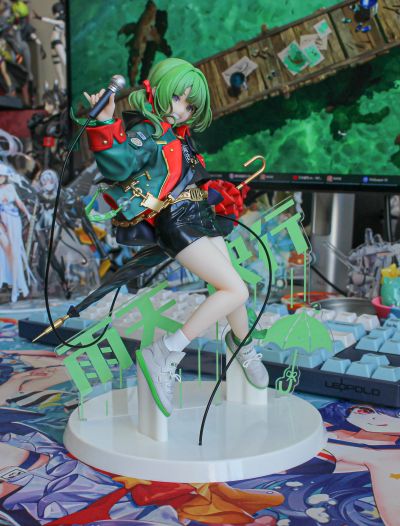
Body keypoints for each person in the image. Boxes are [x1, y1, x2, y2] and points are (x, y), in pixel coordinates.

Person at [83, 57, 268, 417]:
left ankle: (241, 345)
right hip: (175, 220)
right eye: (178, 98)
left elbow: (185, 178)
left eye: (190, 106)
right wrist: (105, 122)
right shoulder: (146, 132)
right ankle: (165, 352)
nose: (181, 109)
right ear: (158, 90)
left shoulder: (178, 135)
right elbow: (119, 163)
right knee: (236, 290)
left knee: (231, 284)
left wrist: (217, 194)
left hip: (199, 214)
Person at [0, 162, 32, 302]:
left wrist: (28, 214)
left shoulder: (10, 187)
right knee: (5, 251)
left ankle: (16, 287)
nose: (0, 178)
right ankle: (7, 283)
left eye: (2, 175)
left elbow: (19, 202)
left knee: (14, 253)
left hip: (14, 220)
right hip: (2, 222)